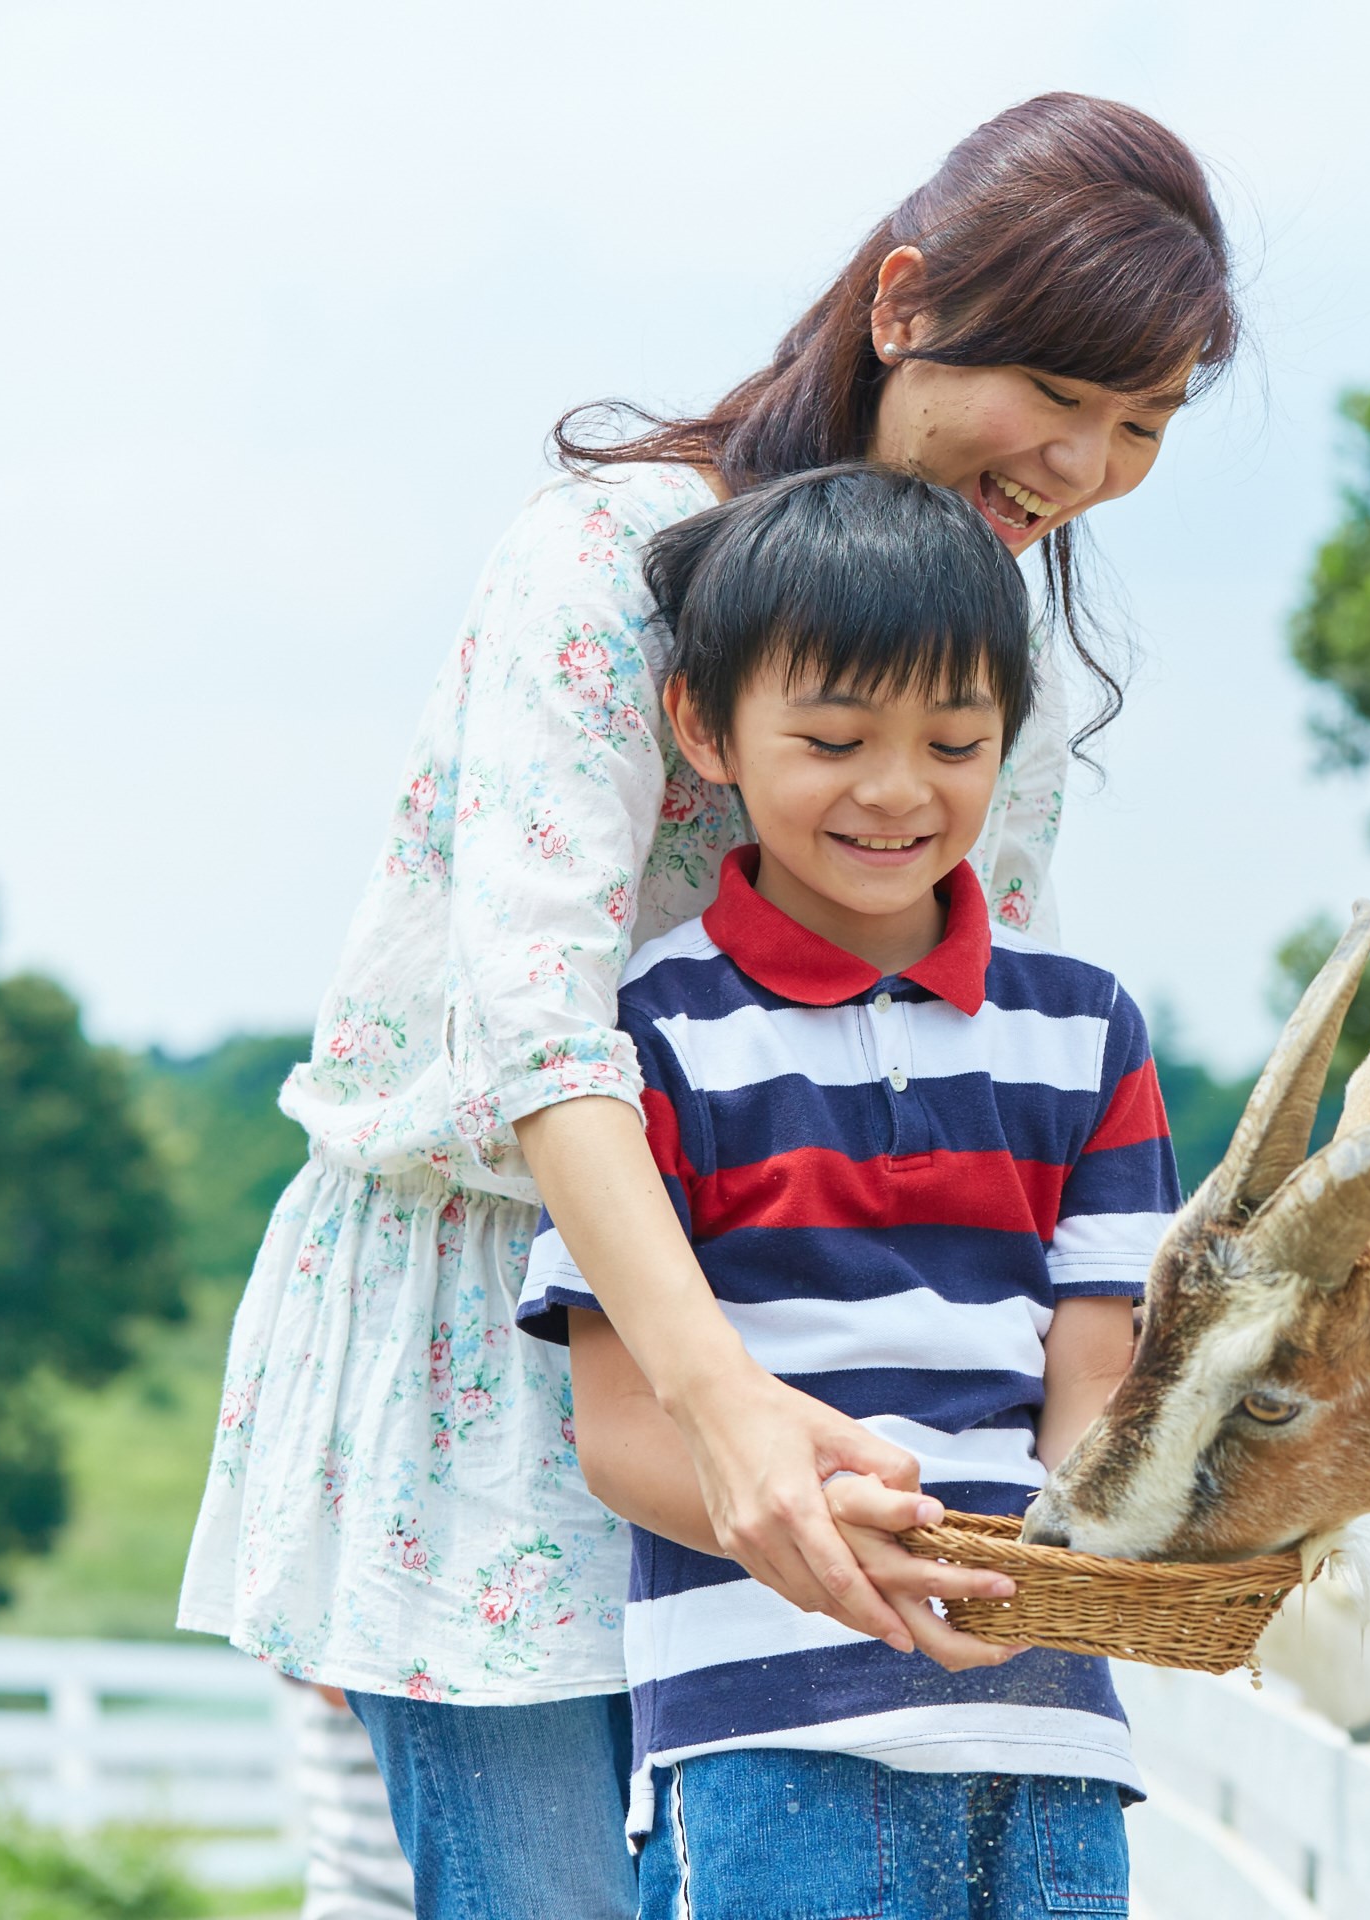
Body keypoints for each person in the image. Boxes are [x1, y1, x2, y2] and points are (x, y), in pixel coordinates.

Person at [177, 93, 1236, 1917]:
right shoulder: (612, 559)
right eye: (1058, 397)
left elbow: (973, 1063)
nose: (1083, 464)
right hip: (524, 1339)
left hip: (820, 1383)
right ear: (904, 304)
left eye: (1141, 425)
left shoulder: (1010, 666)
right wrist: (719, 1403)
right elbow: (540, 1029)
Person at [520, 465, 1164, 1915]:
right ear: (707, 728)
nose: (896, 791)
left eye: (954, 740)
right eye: (830, 739)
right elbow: (623, 1433)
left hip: (1048, 1719)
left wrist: (1102, 1555)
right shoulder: (645, 1041)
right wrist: (842, 1547)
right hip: (765, 1729)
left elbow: (1096, 1390)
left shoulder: (1085, 1027)